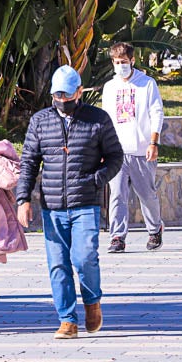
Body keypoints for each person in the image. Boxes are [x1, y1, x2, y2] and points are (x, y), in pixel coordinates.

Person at [16, 65, 124, 339]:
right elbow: (28, 161)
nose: (62, 101)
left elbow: (115, 157)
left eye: (67, 95)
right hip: (52, 206)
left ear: (79, 91)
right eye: (57, 96)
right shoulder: (41, 121)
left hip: (85, 202)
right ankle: (67, 320)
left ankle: (92, 302)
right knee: (58, 264)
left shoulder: (98, 119)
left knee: (85, 257)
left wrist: (96, 180)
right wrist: (23, 199)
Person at [101, 42, 165, 252]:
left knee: (147, 195)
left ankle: (155, 230)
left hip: (142, 151)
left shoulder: (146, 84)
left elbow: (157, 113)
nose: (121, 66)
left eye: (125, 62)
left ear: (133, 61)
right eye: (117, 63)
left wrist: (153, 142)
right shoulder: (110, 88)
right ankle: (117, 237)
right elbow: (106, 120)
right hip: (117, 152)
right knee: (117, 195)